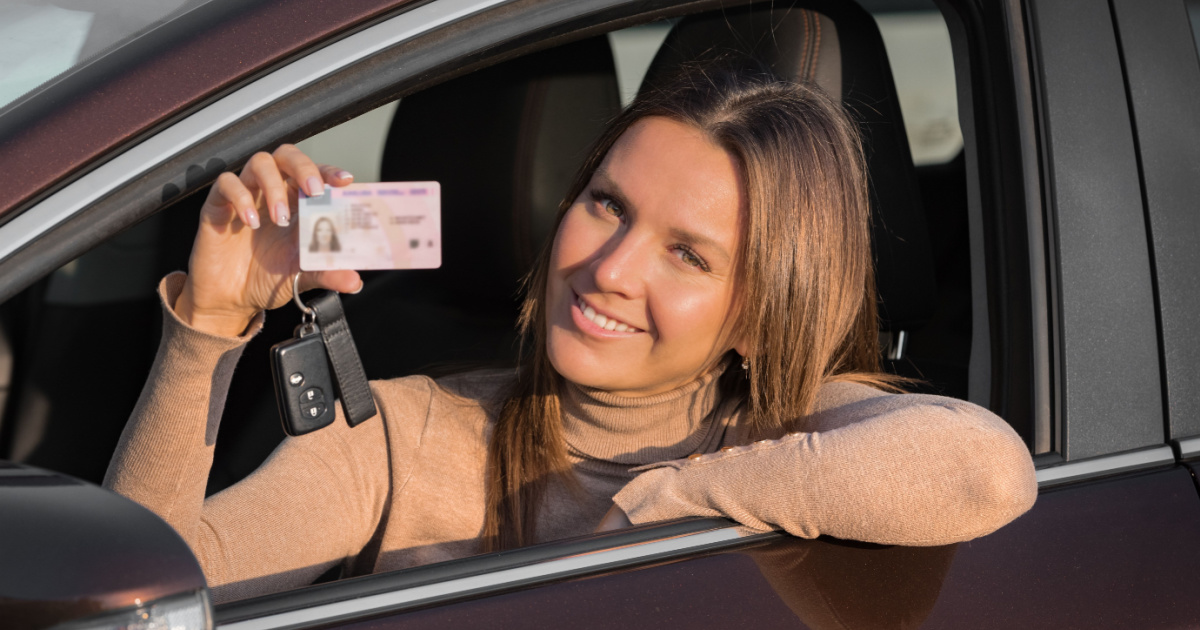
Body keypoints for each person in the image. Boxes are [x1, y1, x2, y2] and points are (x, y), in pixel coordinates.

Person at [104, 66, 1037, 602]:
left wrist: (671, 502)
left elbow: (982, 467)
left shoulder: (792, 433)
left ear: (760, 316)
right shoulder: (405, 437)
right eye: (606, 204)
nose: (610, 268)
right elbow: (133, 594)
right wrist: (212, 324)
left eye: (689, 255)